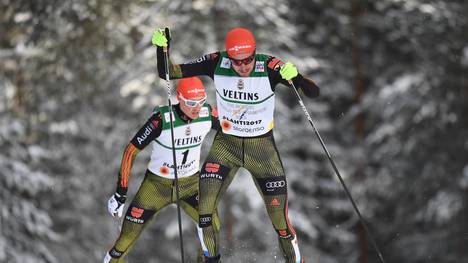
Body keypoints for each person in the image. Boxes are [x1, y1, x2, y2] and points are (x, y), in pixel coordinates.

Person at [152, 27, 320, 263]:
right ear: (228, 58)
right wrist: (162, 48)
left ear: (254, 53)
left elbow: (313, 92)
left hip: (261, 150)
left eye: (248, 60)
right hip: (225, 147)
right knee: (205, 212)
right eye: (236, 62)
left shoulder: (270, 67)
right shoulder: (216, 62)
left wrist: (297, 77)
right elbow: (168, 73)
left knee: (280, 222)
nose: (242, 67)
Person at [103, 77, 220, 263]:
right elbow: (130, 151)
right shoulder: (161, 120)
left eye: (201, 101)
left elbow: (233, 130)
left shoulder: (207, 114)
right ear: (179, 98)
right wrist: (120, 193)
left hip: (190, 184)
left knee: (211, 224)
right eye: (190, 103)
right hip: (157, 186)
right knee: (126, 237)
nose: (196, 108)